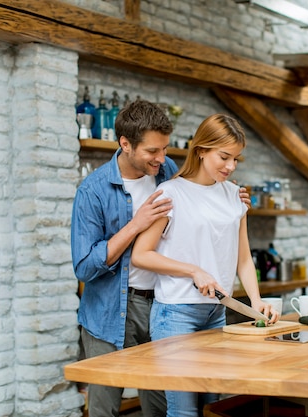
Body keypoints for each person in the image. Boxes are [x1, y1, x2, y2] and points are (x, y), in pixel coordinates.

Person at [71, 101, 249, 417]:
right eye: (153, 151)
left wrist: (231, 198)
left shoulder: (165, 174)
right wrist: (135, 225)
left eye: (165, 148)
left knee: (160, 405)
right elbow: (84, 266)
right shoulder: (93, 191)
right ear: (125, 144)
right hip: (113, 307)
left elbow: (200, 193)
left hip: (166, 306)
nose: (162, 158)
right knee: (105, 407)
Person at [131, 113, 280, 417]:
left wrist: (255, 301)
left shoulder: (234, 196)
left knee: (214, 409)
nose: (230, 166)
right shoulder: (171, 194)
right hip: (175, 315)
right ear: (201, 150)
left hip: (216, 313)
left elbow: (242, 257)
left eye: (236, 159)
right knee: (184, 412)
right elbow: (141, 255)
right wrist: (193, 270)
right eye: (224, 156)